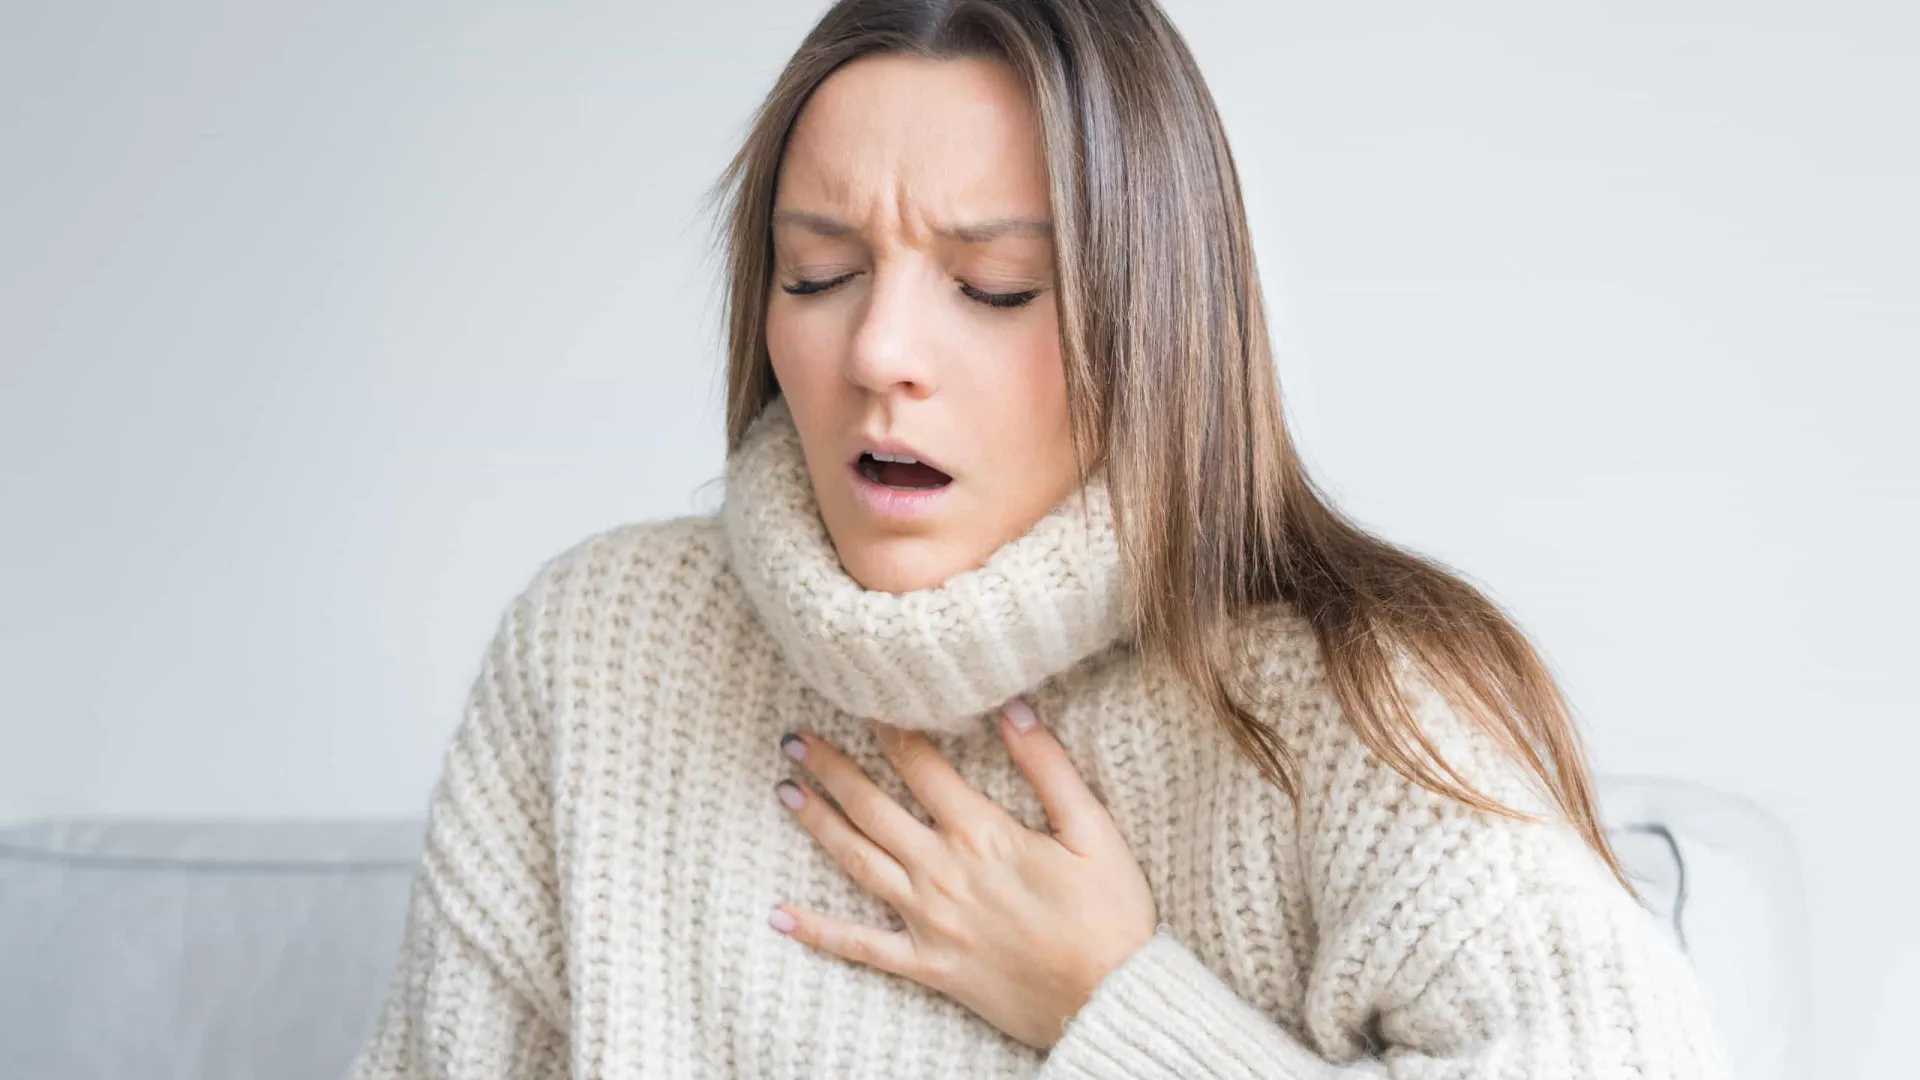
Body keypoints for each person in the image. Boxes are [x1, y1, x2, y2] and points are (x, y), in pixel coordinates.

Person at [346, 1, 1732, 1076]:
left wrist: (1115, 1006)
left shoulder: (1346, 700)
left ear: (1157, 323)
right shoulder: (595, 653)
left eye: (996, 287)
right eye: (819, 273)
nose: (879, 350)